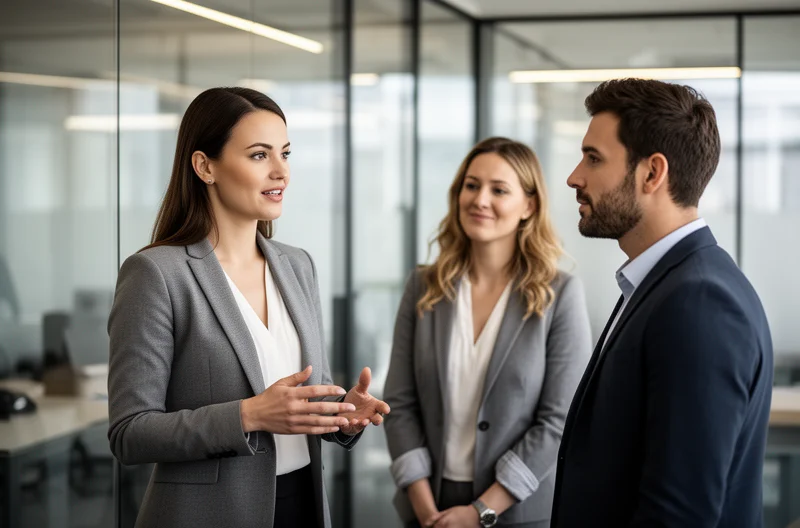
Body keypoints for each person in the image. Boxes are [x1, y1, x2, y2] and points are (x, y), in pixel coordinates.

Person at [107, 87, 390, 528]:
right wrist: (249, 415)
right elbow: (130, 432)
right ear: (205, 166)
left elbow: (308, 394)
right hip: (209, 515)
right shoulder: (156, 274)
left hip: (304, 505)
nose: (282, 172)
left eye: (286, 153)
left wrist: (341, 416)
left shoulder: (297, 266)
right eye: (260, 155)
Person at [553, 79, 773, 527]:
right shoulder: (664, 283)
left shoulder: (700, 302)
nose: (574, 177)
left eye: (594, 158)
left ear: (653, 173)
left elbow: (679, 515)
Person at [384, 137, 592, 528]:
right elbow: (399, 403)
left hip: (517, 512)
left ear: (529, 205)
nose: (480, 199)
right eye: (472, 185)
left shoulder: (559, 294)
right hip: (427, 507)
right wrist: (427, 509)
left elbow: (559, 419)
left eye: (499, 190)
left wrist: (480, 512)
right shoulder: (423, 286)